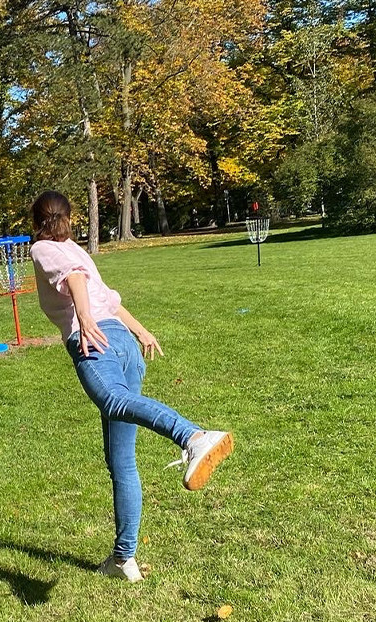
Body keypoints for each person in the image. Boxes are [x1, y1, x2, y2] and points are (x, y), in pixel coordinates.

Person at [28, 190, 233, 582]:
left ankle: (193, 436)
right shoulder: (75, 247)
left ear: (35, 219)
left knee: (114, 400)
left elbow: (76, 280)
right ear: (69, 217)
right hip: (122, 343)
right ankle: (123, 560)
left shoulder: (44, 249)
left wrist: (85, 320)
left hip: (97, 341)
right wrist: (140, 330)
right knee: (121, 462)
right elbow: (107, 296)